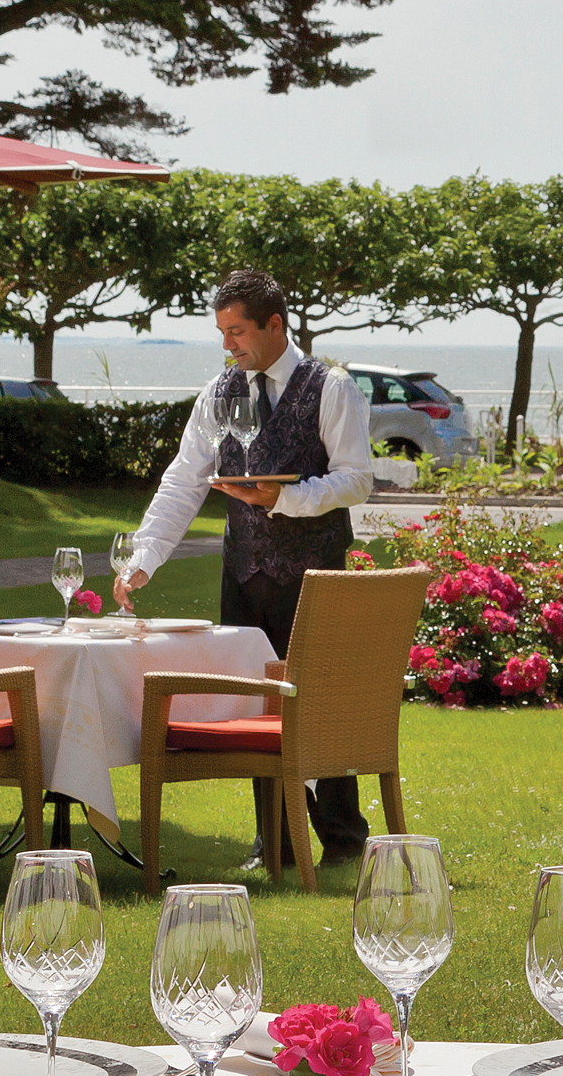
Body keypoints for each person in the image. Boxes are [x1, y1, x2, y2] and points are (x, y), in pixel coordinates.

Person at [119, 269, 376, 863]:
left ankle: (343, 839)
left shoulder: (331, 387)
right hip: (243, 573)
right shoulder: (219, 392)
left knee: (318, 702)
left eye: (237, 331)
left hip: (315, 575)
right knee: (255, 704)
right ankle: (276, 842)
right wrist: (144, 559)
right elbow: (183, 481)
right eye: (222, 332)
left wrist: (285, 497)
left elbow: (356, 479)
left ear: (274, 325)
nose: (227, 344)